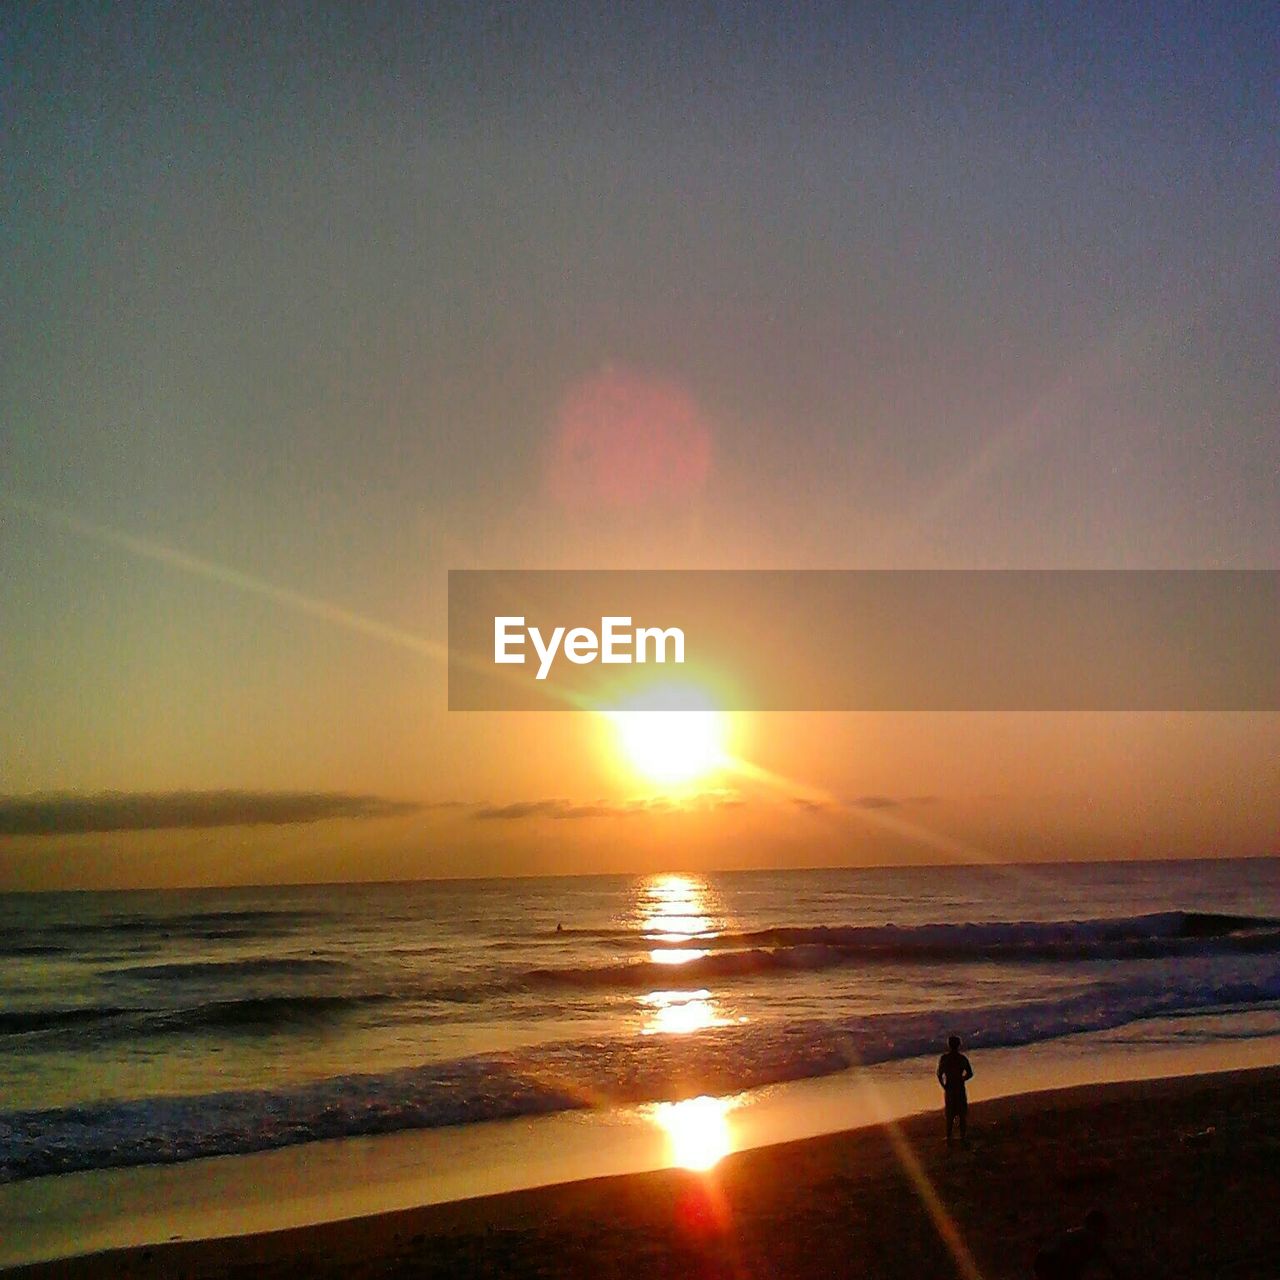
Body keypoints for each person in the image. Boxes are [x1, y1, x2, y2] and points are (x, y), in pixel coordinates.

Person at [1033, 1208, 1120, 1278]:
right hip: (1052, 1260)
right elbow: (1105, 1260)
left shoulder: (1077, 1233)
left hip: (1043, 1259)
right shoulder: (1089, 1237)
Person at [936, 1034, 973, 1142]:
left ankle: (949, 1136)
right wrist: (962, 1079)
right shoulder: (962, 1058)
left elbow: (939, 1074)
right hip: (959, 1086)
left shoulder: (944, 1058)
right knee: (962, 1113)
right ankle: (962, 1136)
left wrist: (943, 1085)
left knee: (950, 1114)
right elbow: (970, 1073)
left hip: (950, 1087)